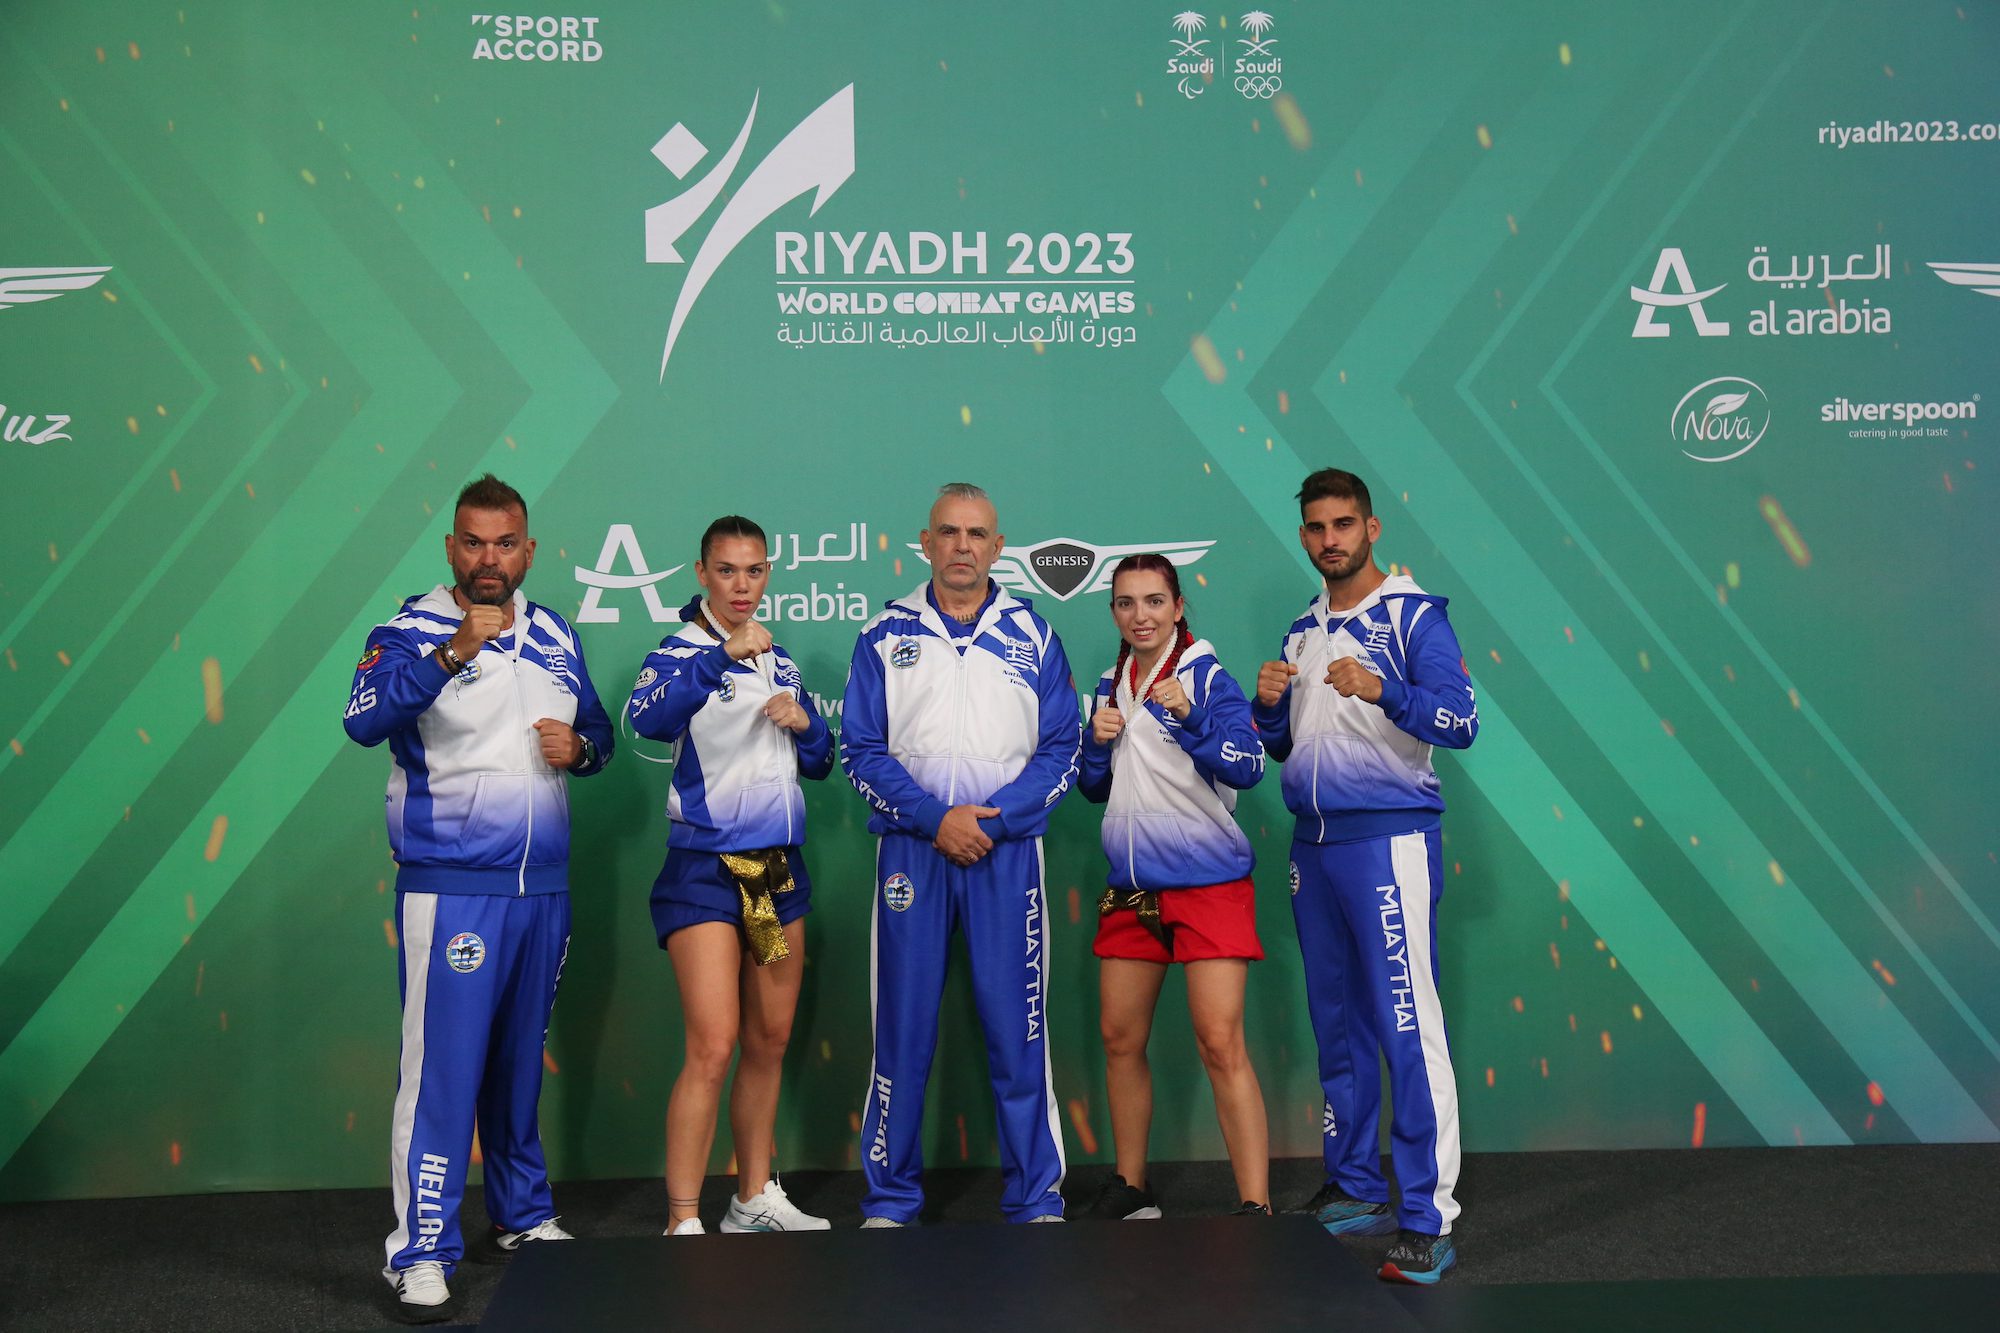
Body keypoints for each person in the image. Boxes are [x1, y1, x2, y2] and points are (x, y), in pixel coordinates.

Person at [343, 474, 615, 1324]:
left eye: (504, 544)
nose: (487, 559)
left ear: (528, 551)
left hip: (544, 891)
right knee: (441, 1074)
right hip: (453, 890)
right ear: (450, 548)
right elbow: (362, 720)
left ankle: (521, 1214)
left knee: (516, 1065)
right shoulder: (408, 631)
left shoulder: (556, 633)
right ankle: (420, 1251)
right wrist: (453, 653)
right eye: (473, 542)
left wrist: (582, 749)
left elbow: (599, 734)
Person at [1253, 468, 1478, 1285]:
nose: (1330, 540)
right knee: (1338, 1020)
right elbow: (1287, 745)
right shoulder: (1302, 628)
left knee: (1407, 1024)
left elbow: (1461, 719)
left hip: (1388, 841)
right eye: (1316, 527)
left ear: (1372, 528)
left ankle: (1427, 1218)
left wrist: (1386, 689)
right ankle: (1355, 1185)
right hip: (1313, 847)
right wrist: (1268, 708)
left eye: (1343, 524)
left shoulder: (1415, 615)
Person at [841, 482, 1081, 1226]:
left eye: (977, 534)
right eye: (949, 532)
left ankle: (1035, 1197)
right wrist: (934, 818)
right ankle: (890, 1198)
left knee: (1018, 1033)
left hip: (1005, 857)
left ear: (998, 547)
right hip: (912, 854)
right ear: (926, 541)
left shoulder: (1033, 633)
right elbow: (861, 750)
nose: (962, 546)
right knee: (902, 1031)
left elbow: (1062, 749)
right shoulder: (884, 633)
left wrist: (992, 823)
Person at [627, 516, 834, 1237]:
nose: (741, 585)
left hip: (775, 874)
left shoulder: (781, 659)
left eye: (753, 570)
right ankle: (682, 1218)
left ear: (767, 572)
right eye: (726, 570)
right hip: (704, 873)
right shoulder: (678, 651)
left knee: (769, 1039)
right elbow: (647, 720)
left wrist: (807, 724)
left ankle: (753, 1197)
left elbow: (820, 760)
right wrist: (721, 655)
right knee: (713, 1044)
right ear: (701, 573)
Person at [1078, 554, 1272, 1220]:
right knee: (1119, 1039)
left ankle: (1255, 1204)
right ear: (1114, 611)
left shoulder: (1206, 675)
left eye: (1154, 600)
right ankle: (1132, 1187)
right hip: (1133, 890)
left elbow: (1249, 765)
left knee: (1220, 1042)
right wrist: (1093, 745)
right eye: (1126, 603)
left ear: (1179, 605)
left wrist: (1191, 717)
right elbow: (1095, 787)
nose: (1141, 615)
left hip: (1208, 884)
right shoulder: (1111, 683)